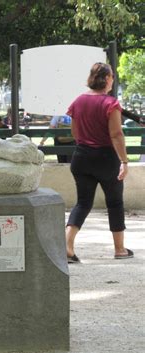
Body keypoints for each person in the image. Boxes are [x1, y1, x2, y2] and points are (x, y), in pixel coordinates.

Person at [65, 62, 133, 263]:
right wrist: (124, 161)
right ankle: (119, 249)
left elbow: (75, 133)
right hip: (106, 159)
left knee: (83, 203)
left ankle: (68, 246)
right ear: (107, 78)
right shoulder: (110, 103)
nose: (113, 79)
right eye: (112, 76)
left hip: (81, 157)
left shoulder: (78, 101)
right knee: (115, 202)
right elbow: (116, 134)